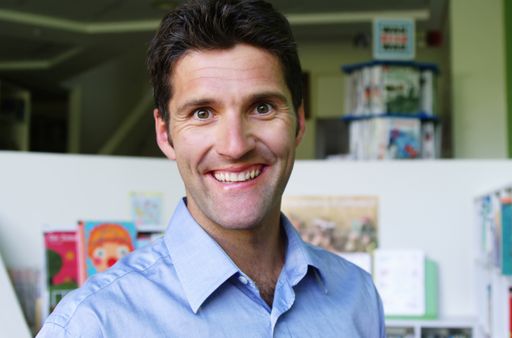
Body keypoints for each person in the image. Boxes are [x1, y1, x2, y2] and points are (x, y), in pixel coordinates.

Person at [37, 0, 385, 337]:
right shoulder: (92, 324)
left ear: (299, 121)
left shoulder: (358, 298)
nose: (235, 146)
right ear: (164, 133)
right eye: (202, 113)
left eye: (262, 107)